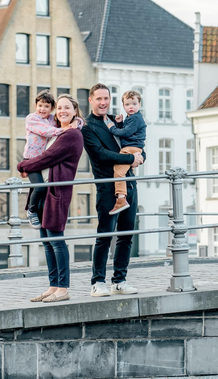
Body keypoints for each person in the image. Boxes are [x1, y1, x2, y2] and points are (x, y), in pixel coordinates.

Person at [17, 94, 84, 303]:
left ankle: (62, 289)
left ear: (75, 111)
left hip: (57, 192)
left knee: (56, 240)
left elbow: (47, 158)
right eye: (60, 108)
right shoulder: (57, 132)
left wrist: (22, 166)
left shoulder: (71, 135)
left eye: (67, 108)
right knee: (47, 242)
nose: (62, 111)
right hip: (44, 191)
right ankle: (53, 285)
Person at [81, 83, 143, 297]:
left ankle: (119, 280)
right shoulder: (87, 127)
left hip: (130, 183)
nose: (103, 102)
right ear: (91, 100)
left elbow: (135, 143)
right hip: (108, 187)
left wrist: (140, 157)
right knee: (105, 236)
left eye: (106, 98)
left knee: (126, 235)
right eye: (98, 99)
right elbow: (100, 154)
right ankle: (97, 282)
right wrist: (130, 158)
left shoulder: (119, 120)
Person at [22, 90, 64, 229]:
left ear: (51, 108)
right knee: (40, 187)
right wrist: (64, 131)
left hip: (45, 160)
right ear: (35, 106)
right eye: (40, 105)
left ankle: (41, 213)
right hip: (31, 159)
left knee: (43, 188)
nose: (42, 109)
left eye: (46, 106)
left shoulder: (52, 119)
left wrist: (78, 123)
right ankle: (31, 211)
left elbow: (67, 120)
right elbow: (45, 130)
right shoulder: (31, 119)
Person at [105, 90, 147, 215]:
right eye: (128, 104)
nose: (131, 107)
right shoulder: (131, 118)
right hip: (132, 148)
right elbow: (126, 131)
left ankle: (121, 199)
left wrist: (112, 127)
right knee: (126, 171)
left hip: (131, 148)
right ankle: (124, 196)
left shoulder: (136, 118)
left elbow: (126, 133)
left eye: (134, 103)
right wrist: (119, 123)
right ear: (123, 106)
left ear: (139, 104)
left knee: (118, 171)